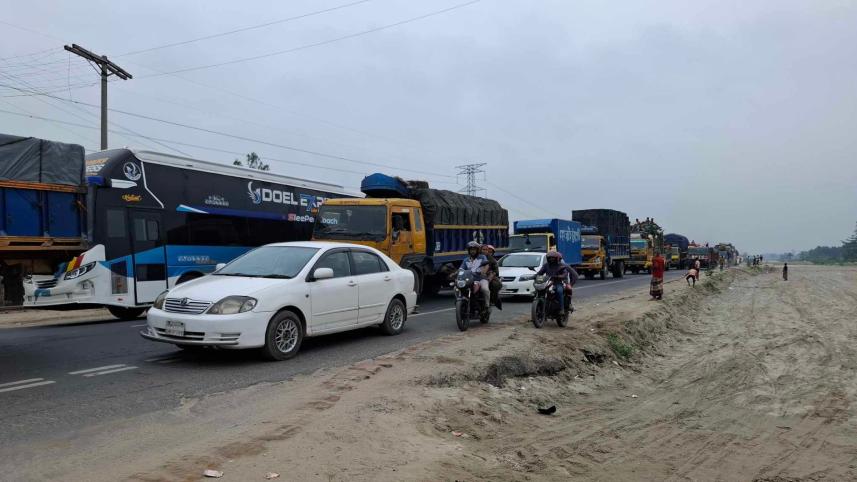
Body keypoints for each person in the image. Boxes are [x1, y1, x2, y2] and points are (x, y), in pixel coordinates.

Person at [535, 250, 578, 315]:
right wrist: (534, 276)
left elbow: (565, 274)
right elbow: (540, 273)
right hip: (548, 282)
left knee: (559, 291)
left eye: (553, 258)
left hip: (558, 283)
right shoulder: (546, 265)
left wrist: (559, 276)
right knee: (541, 290)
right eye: (550, 258)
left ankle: (561, 309)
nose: (551, 259)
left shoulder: (562, 266)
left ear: (557, 259)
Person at [460, 241, 490, 310]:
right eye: (471, 250)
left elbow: (486, 265)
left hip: (481, 278)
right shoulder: (466, 260)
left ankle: (487, 305)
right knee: (458, 287)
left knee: (485, 289)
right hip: (469, 279)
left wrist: (484, 271)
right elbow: (461, 269)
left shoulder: (482, 257)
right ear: (468, 251)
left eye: (474, 250)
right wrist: (455, 273)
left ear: (477, 250)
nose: (472, 251)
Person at [481, 244, 503, 310]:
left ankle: (494, 300)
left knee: (495, 285)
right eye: (483, 250)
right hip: (477, 276)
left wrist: (490, 276)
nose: (485, 252)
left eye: (490, 252)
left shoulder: (492, 260)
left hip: (489, 277)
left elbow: (495, 271)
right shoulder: (477, 258)